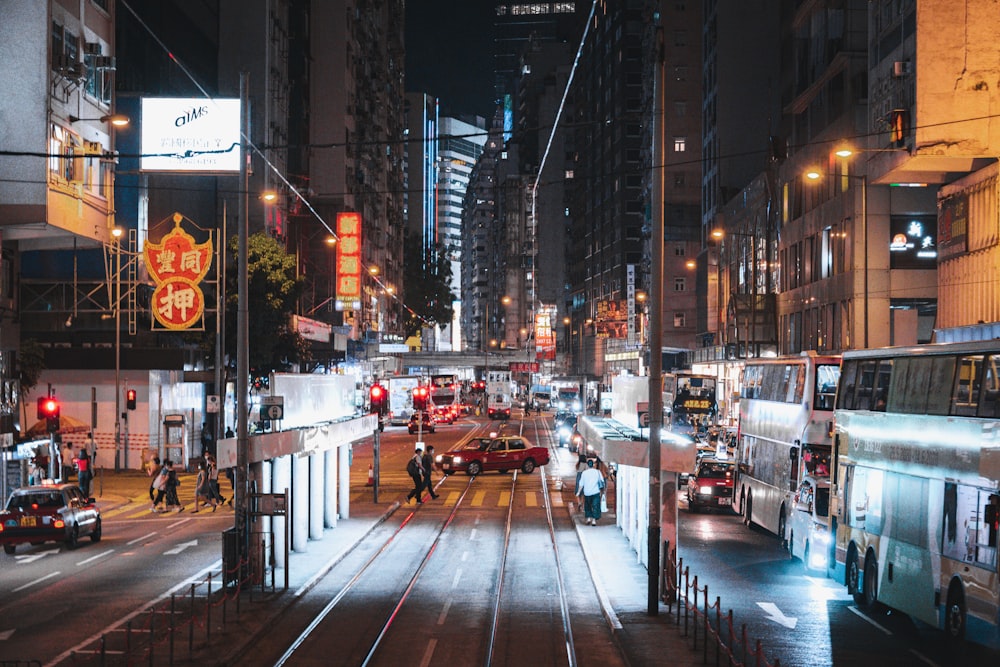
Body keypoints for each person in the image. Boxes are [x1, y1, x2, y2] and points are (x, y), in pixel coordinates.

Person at [576, 459, 605, 526]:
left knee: (588, 506)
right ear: (593, 465)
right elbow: (602, 481)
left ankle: (588, 518)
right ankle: (594, 521)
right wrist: (603, 491)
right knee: (595, 506)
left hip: (587, 492)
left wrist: (578, 492)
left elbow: (581, 484)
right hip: (596, 492)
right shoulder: (598, 472)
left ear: (587, 465)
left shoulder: (584, 473)